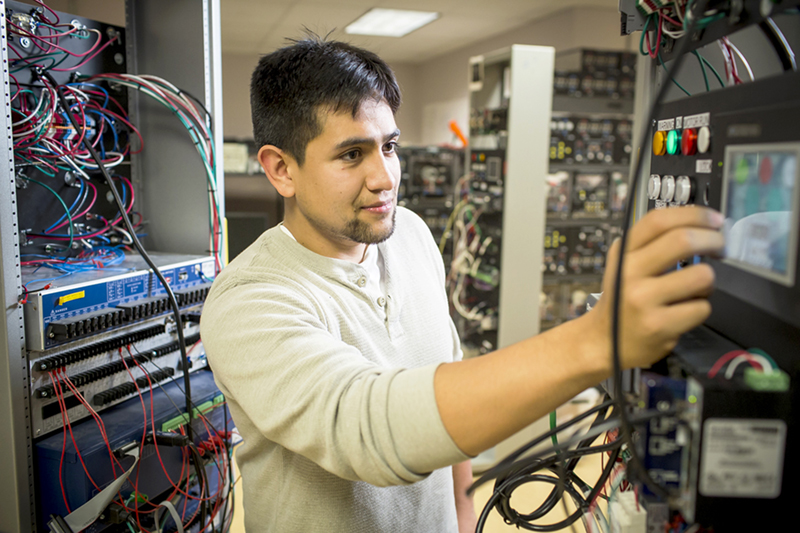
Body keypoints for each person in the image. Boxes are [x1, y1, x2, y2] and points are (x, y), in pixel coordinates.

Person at [200, 36, 725, 533]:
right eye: (351, 155)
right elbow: (368, 428)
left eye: (390, 147)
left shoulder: (410, 235)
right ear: (281, 169)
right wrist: (595, 340)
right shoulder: (249, 302)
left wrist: (462, 507)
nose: (384, 178)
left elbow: (446, 372)